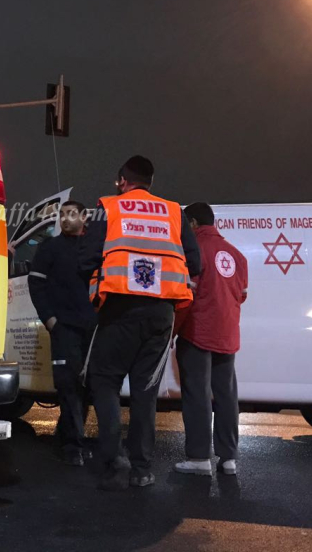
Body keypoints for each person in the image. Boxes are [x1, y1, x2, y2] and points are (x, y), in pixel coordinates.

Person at [79, 156, 201, 490]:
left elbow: (86, 259)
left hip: (119, 308)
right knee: (145, 392)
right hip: (160, 313)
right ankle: (142, 469)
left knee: (104, 382)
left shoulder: (108, 207)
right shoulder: (174, 211)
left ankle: (111, 459)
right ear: (150, 182)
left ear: (122, 181)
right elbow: (195, 263)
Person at [173, 202, 248, 477]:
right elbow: (241, 296)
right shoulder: (237, 255)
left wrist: (172, 332)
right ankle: (229, 459)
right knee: (226, 395)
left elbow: (185, 298)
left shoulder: (193, 252)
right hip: (227, 334)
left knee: (197, 394)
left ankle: (198, 458)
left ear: (192, 223)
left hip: (197, 333)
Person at [28, 201, 98, 466]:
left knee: (86, 386)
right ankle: (72, 445)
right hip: (64, 327)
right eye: (62, 215)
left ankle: (70, 436)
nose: (65, 219)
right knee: (67, 385)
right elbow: (36, 284)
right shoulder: (50, 247)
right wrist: (50, 320)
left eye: (71, 214)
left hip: (90, 329)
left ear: (84, 217)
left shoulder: (93, 248)